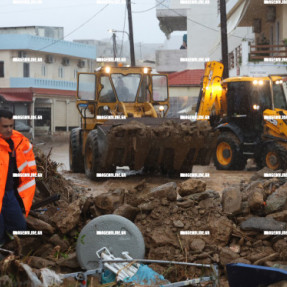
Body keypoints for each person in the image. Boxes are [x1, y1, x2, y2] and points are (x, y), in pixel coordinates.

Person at [0, 110, 37, 246]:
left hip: (9, 193)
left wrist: (22, 204)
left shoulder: (20, 142)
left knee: (20, 227)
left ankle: (10, 245)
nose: (9, 129)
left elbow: (28, 172)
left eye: (11, 125)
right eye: (5, 126)